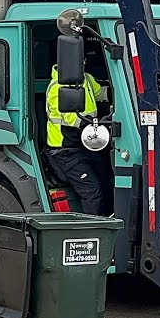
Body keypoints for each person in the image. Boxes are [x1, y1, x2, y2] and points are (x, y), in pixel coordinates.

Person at [45, 64, 108, 215]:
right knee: (91, 191)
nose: (84, 62)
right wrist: (84, 121)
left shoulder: (87, 78)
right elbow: (69, 116)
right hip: (65, 150)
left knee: (108, 182)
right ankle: (93, 234)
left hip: (87, 144)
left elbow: (101, 94)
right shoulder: (57, 87)